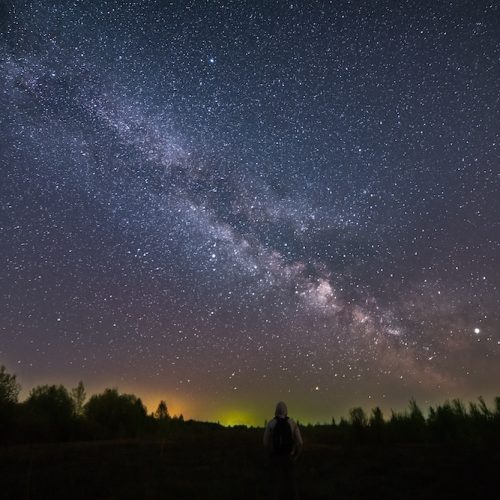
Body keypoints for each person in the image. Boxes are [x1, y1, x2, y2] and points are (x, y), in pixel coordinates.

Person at [263, 401, 303, 499]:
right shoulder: (292, 423)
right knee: (292, 485)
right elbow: (300, 443)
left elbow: (265, 442)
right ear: (286, 411)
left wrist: (269, 454)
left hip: (275, 458)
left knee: (275, 485)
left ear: (276, 411)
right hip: (289, 457)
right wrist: (296, 456)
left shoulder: (271, 423)